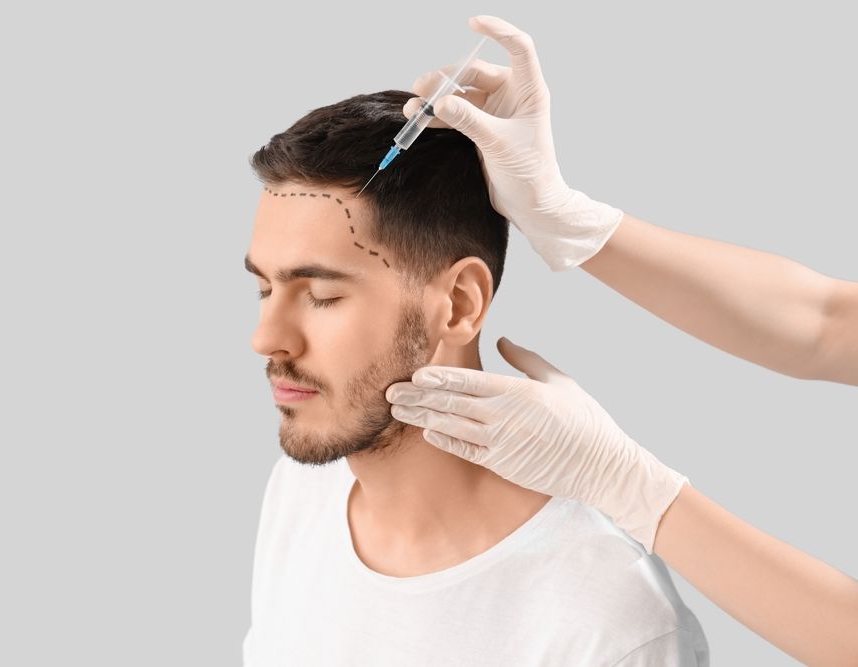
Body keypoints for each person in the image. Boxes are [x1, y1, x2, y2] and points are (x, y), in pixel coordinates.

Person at [384, 14, 858, 666]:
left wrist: (635, 487)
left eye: (324, 292)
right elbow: (831, 322)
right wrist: (568, 218)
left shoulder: (611, 623)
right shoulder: (305, 509)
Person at [242, 90, 709, 665]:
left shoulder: (608, 624)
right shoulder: (303, 491)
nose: (266, 338)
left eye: (322, 295)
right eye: (264, 289)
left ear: (460, 304)